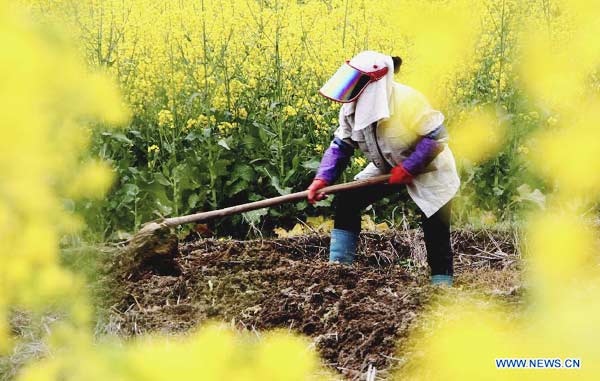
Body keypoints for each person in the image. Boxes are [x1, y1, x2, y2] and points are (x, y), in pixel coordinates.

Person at [307, 50, 460, 286]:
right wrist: (323, 178)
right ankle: (337, 270)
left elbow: (436, 137)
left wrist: (410, 168)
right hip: (388, 165)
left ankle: (442, 286)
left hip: (429, 167)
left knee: (435, 226)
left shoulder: (408, 100)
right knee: (349, 200)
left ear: (374, 84)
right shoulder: (350, 108)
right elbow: (341, 145)